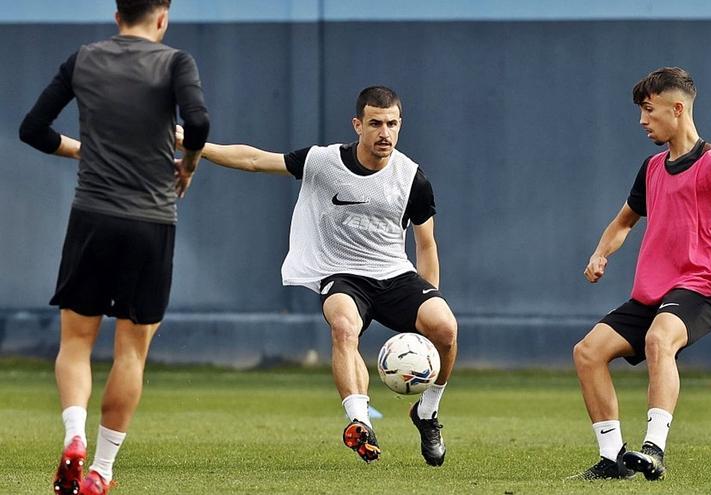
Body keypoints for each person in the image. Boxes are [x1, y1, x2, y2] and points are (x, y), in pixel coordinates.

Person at [176, 86, 457, 466]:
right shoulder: (323, 162)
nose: (384, 133)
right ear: (358, 125)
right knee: (343, 326)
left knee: (446, 329)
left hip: (394, 274)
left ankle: (427, 412)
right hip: (341, 274)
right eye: (375, 123)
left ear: (400, 125)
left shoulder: (411, 179)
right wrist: (197, 146)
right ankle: (360, 423)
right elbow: (256, 160)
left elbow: (426, 245)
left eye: (392, 124)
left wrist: (429, 300)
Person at [18, 0, 209, 493]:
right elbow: (200, 123)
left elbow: (32, 129)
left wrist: (82, 149)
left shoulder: (83, 58)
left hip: (92, 218)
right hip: (151, 223)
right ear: (162, 16)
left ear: (116, 15)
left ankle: (74, 436)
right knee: (131, 352)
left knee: (77, 342)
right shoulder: (175, 62)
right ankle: (101, 470)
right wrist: (186, 166)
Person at [571, 67, 711, 481]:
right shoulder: (652, 167)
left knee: (660, 338)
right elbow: (624, 222)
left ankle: (653, 448)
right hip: (653, 293)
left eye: (648, 110)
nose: (643, 121)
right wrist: (600, 253)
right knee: (587, 353)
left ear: (676, 109)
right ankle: (612, 460)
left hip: (703, 287)